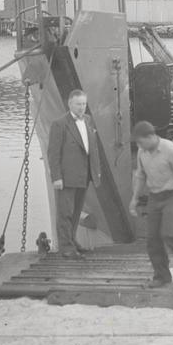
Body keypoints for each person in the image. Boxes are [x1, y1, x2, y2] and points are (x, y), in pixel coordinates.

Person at [128, 121, 173, 288]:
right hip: (154, 196)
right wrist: (135, 198)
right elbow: (140, 176)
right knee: (152, 239)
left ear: (151, 136)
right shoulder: (142, 151)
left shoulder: (172, 150)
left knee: (169, 233)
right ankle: (162, 276)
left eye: (140, 141)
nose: (139, 145)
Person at [47, 89, 102, 259]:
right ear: (70, 104)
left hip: (84, 175)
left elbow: (92, 148)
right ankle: (66, 247)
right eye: (78, 104)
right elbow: (53, 153)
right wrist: (56, 177)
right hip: (67, 177)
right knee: (65, 212)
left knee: (77, 211)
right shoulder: (60, 124)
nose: (81, 107)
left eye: (84, 104)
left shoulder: (88, 120)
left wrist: (96, 171)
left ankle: (72, 240)